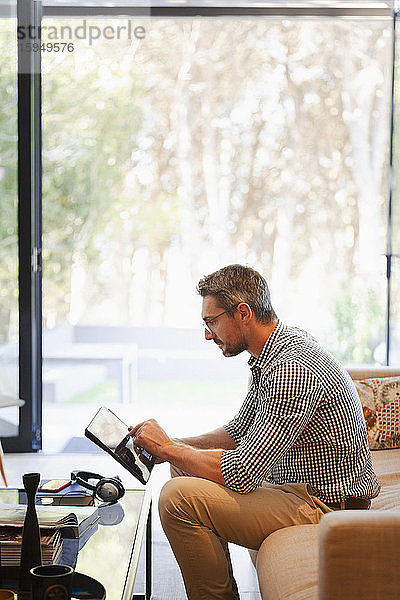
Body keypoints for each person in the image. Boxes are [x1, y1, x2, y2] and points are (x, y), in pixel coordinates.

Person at [129, 264, 380, 600]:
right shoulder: (277, 349)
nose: (207, 334)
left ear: (243, 313)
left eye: (212, 322)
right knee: (184, 465)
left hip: (326, 506)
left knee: (178, 498)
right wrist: (172, 445)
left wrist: (171, 449)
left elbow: (243, 472)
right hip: (303, 488)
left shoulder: (291, 367)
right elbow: (239, 430)